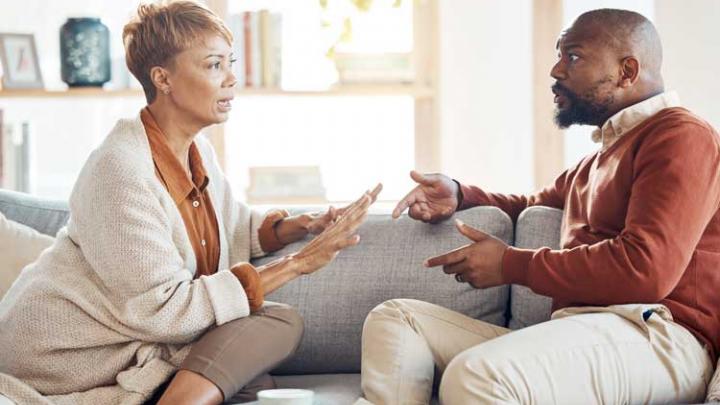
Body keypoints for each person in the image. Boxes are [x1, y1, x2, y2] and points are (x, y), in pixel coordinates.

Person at [0, 2, 381, 404]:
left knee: (259, 366)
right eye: (214, 65)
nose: (232, 79)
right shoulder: (119, 171)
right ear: (163, 79)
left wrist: (301, 226)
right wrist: (298, 263)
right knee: (270, 328)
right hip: (60, 356)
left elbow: (228, 227)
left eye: (230, 63)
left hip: (137, 339)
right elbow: (164, 310)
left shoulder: (196, 150)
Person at [359, 8, 718, 405]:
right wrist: (461, 195)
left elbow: (645, 270)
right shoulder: (594, 162)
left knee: (478, 375)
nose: (556, 70)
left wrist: (510, 264)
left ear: (626, 70)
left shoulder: (681, 137)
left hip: (660, 338)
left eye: (573, 56)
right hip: (582, 333)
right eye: (559, 54)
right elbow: (530, 204)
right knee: (397, 318)